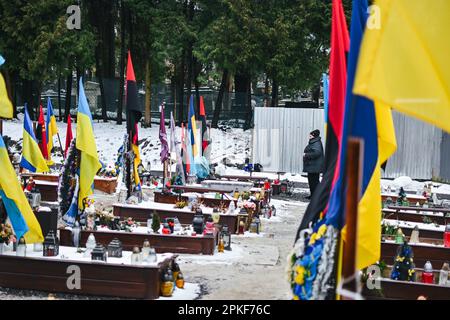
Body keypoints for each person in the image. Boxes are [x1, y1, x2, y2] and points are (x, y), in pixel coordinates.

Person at [303, 129, 324, 199]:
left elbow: (317, 153)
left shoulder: (316, 143)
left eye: (310, 135)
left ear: (314, 136)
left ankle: (317, 196)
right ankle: (313, 195)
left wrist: (306, 155)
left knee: (314, 182)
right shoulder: (314, 142)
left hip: (315, 167)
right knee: (311, 182)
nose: (309, 136)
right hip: (312, 166)